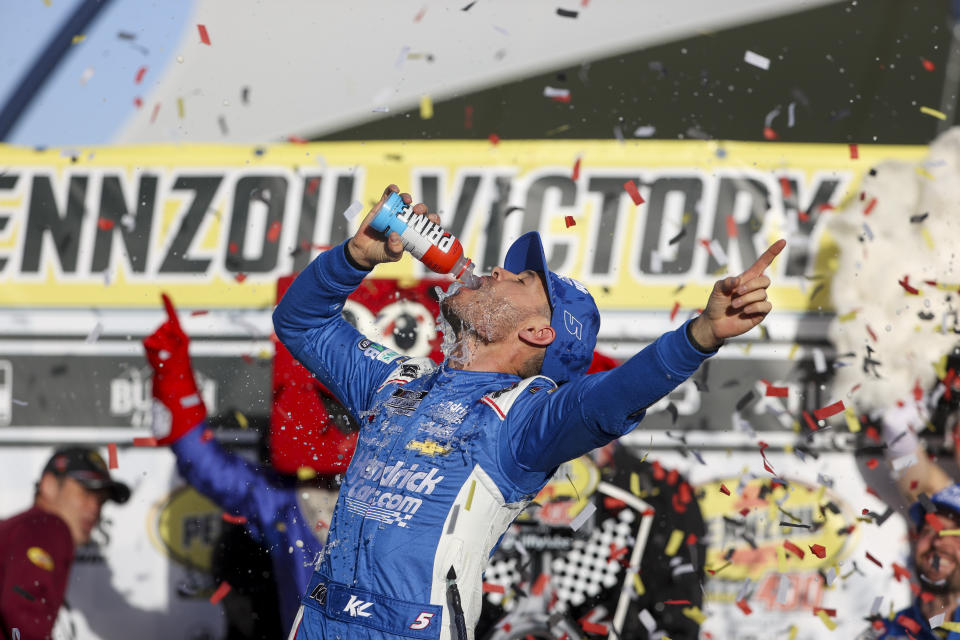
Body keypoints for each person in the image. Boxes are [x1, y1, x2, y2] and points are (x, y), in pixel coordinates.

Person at [273, 185, 784, 640]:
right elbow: (301, 324)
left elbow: (613, 397)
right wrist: (354, 258)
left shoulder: (523, 421)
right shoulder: (397, 381)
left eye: (519, 280)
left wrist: (700, 336)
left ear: (539, 333)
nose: (495, 270)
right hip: (316, 620)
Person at [143, 295, 339, 634]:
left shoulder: (423, 487)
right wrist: (173, 376)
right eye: (330, 403)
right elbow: (203, 463)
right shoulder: (287, 501)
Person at [0, 447, 130, 640]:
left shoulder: (19, 528)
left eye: (101, 500)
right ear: (49, 486)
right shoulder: (49, 526)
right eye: (86, 492)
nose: (95, 508)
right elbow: (22, 612)